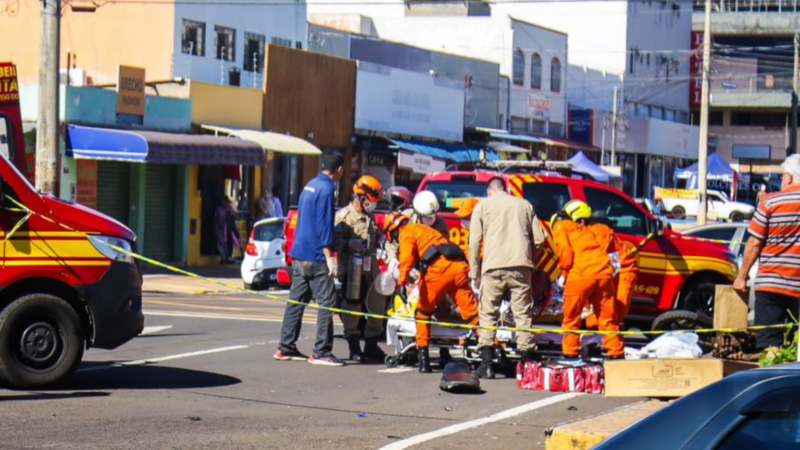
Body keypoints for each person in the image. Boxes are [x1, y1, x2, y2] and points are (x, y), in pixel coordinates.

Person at [468, 177, 545, 379]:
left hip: (492, 267)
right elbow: (540, 239)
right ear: (506, 189)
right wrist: (529, 259)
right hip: (521, 267)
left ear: (489, 191)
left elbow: (474, 243)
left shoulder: (482, 206)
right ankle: (527, 365)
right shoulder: (524, 205)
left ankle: (486, 364)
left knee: (488, 314)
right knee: (522, 315)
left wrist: (475, 273)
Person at [384, 212, 480, 373]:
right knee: (473, 315)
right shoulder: (426, 230)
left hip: (439, 272)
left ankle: (424, 361)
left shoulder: (406, 232)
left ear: (394, 231)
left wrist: (401, 281)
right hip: (458, 269)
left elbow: (406, 259)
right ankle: (490, 357)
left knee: (422, 313)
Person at [275, 153, 345, 367]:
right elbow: (324, 226)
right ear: (339, 170)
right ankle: (322, 351)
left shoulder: (310, 185)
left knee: (296, 302)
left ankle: (285, 347)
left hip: (299, 254)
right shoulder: (327, 189)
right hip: (316, 256)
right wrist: (329, 257)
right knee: (327, 303)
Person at [734, 154, 800, 357]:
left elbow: (754, 243)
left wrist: (742, 276)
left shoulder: (770, 203)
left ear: (788, 178)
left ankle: (774, 380)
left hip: (770, 285)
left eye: (782, 177)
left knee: (771, 345)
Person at [551, 200, 623, 360]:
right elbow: (610, 256)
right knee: (608, 319)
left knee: (572, 317)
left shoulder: (561, 227)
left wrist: (564, 273)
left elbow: (567, 256)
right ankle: (616, 353)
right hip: (604, 274)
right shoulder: (591, 230)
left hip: (581, 275)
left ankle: (570, 354)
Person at [335, 175, 387, 363]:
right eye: (372, 200)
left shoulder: (370, 217)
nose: (374, 205)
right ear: (362, 198)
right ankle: (354, 347)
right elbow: (333, 242)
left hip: (371, 271)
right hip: (351, 272)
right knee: (352, 308)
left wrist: (385, 243)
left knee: (377, 306)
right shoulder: (343, 217)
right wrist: (349, 243)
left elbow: (378, 238)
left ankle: (371, 346)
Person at [214, 197, 232, 263]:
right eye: (225, 202)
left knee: (225, 243)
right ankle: (223, 257)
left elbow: (235, 213)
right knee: (221, 242)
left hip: (225, 228)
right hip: (218, 228)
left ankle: (225, 257)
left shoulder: (228, 209)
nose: (226, 204)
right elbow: (216, 219)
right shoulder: (219, 210)